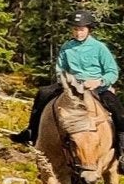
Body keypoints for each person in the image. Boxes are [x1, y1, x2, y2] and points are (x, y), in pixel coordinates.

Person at [8, 9, 122, 146]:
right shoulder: (66, 47)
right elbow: (60, 68)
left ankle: (121, 147)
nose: (78, 33)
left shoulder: (99, 48)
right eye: (75, 29)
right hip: (71, 85)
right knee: (43, 93)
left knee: (118, 111)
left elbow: (112, 71)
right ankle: (31, 131)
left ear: (89, 29)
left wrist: (99, 81)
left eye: (81, 29)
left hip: (97, 87)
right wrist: (66, 80)